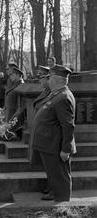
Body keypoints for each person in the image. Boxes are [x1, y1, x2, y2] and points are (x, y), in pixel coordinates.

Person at [30, 65, 77, 202]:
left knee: (59, 175)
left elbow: (68, 126)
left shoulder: (63, 97)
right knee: (54, 174)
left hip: (55, 146)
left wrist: (65, 149)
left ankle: (62, 204)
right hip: (50, 143)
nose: (47, 81)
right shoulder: (56, 94)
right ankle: (57, 197)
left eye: (49, 78)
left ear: (56, 80)